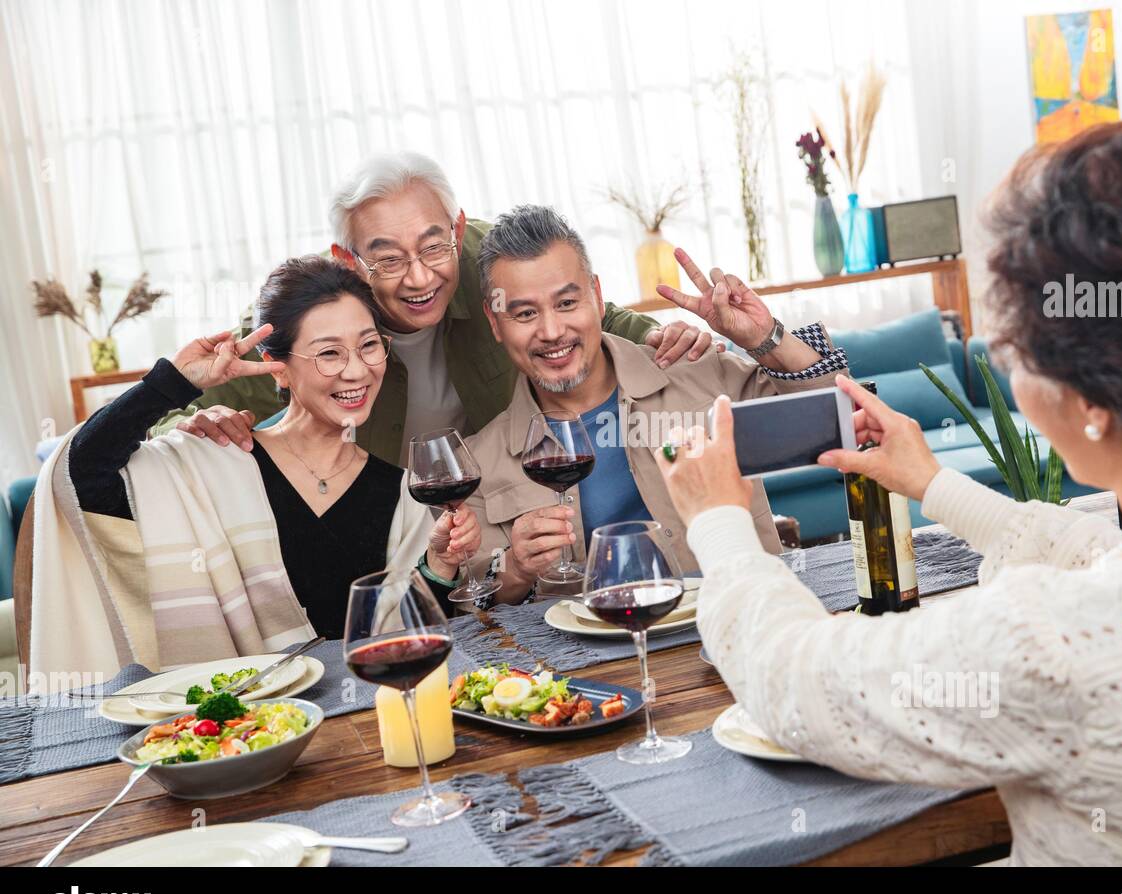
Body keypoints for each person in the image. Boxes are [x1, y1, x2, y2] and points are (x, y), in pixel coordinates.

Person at [652, 121, 1122, 865]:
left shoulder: (1051, 642)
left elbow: (795, 681)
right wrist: (932, 483)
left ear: (1093, 398)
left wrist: (721, 525)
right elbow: (1103, 553)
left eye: (1014, 344)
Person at [32, 258, 481, 680]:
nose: (356, 371)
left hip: (361, 725)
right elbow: (79, 474)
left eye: (368, 346)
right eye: (329, 354)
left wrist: (438, 566)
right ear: (278, 369)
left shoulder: (399, 491)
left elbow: (407, 636)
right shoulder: (213, 460)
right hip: (240, 735)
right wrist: (175, 381)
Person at [150, 153, 718, 465]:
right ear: (347, 260)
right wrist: (197, 419)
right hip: (376, 521)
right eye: (389, 259)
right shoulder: (308, 313)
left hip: (494, 500)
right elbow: (172, 421)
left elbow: (593, 314)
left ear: (459, 229)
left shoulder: (490, 262)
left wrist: (664, 338)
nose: (421, 277)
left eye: (432, 247)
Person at [462, 204, 848, 604]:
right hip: (596, 662)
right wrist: (517, 567)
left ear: (596, 295)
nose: (552, 331)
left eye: (566, 304)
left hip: (750, 626)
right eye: (525, 313)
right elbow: (481, 603)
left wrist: (763, 337)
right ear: (495, 323)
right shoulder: (478, 462)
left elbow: (840, 422)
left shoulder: (700, 372)